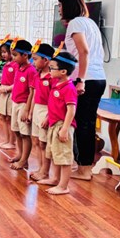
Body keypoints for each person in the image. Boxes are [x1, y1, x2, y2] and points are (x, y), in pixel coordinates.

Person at [58, 0, 106, 180]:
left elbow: (84, 51)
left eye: (60, 5)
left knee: (82, 125)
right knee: (87, 124)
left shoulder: (75, 23)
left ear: (68, 6)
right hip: (98, 77)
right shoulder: (90, 22)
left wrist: (81, 80)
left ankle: (84, 169)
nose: (59, 9)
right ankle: (83, 166)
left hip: (87, 80)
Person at [38, 51, 78, 195]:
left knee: (64, 157)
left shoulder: (69, 88)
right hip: (54, 124)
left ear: (63, 71)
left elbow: (71, 110)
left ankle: (63, 186)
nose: (49, 70)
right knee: (56, 154)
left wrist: (65, 129)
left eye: (52, 68)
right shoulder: (56, 84)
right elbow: (53, 104)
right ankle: (55, 179)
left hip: (62, 125)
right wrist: (48, 118)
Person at [28, 41, 55, 182]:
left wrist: (48, 117)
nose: (33, 62)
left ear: (46, 60)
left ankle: (45, 172)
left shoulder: (52, 78)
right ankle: (40, 168)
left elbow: (54, 100)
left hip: (46, 111)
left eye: (35, 59)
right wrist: (30, 112)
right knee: (36, 141)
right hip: (37, 109)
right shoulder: (37, 75)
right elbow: (34, 96)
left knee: (44, 143)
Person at [9, 38, 37, 170]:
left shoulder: (31, 70)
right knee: (16, 131)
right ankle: (20, 154)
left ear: (25, 55)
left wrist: (27, 110)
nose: (13, 58)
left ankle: (24, 160)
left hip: (23, 105)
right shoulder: (17, 67)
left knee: (25, 134)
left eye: (15, 55)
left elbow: (32, 92)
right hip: (15, 103)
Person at [0, 37, 17, 149]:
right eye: (2, 52)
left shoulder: (16, 65)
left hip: (11, 94)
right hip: (4, 94)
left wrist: (6, 89)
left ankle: (12, 142)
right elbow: (3, 81)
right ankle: (7, 140)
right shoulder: (6, 65)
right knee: (4, 117)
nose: (3, 54)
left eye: (5, 52)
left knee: (10, 118)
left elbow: (17, 83)